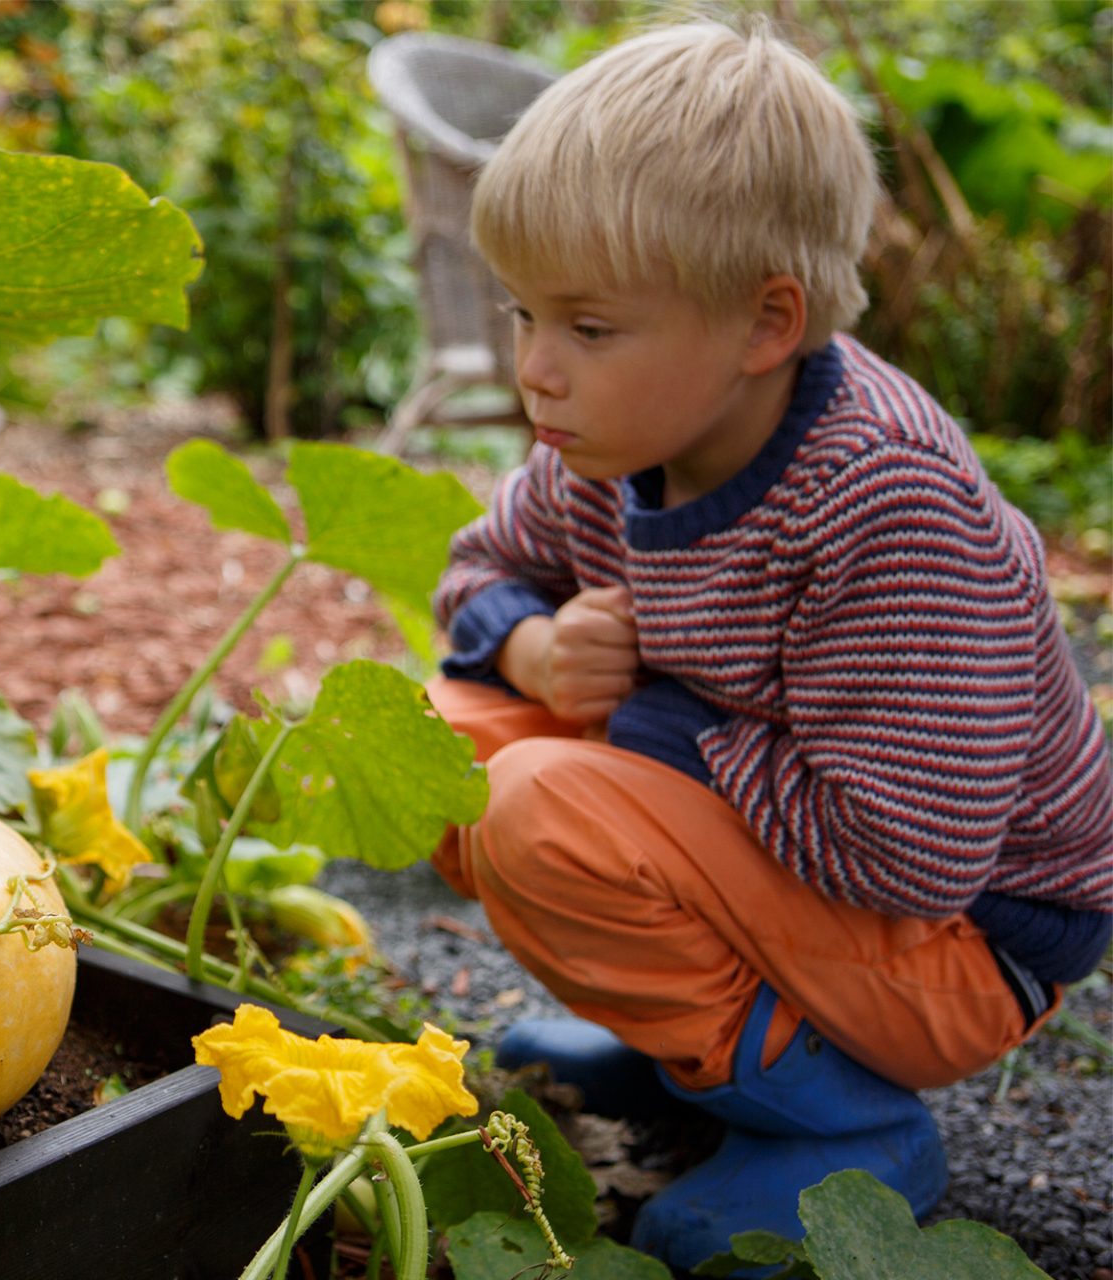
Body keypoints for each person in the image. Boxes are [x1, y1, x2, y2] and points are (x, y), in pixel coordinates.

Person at [425, 18, 1113, 1272]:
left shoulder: (882, 501)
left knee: (540, 809)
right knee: (446, 734)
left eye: (588, 327)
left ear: (763, 323)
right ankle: (683, 1058)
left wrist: (639, 719)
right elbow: (481, 570)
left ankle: (842, 1122)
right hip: (796, 848)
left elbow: (909, 853)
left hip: (966, 936)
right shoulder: (621, 441)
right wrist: (528, 650)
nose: (535, 371)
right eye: (526, 313)